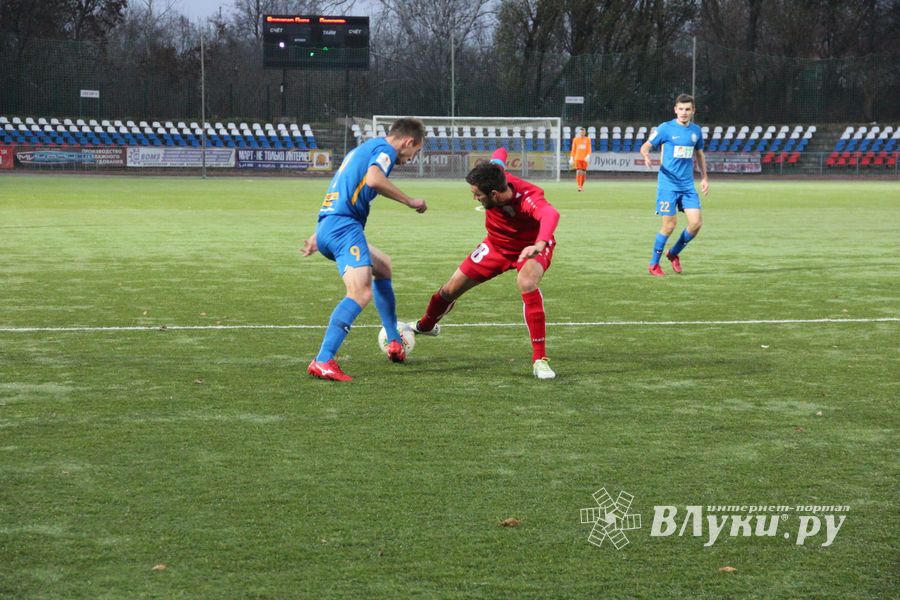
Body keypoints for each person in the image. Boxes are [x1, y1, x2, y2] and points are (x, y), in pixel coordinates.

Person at [412, 148, 561, 380]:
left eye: (477, 195)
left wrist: (540, 244)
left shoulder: (529, 196)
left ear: (494, 194)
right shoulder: (496, 173)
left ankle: (539, 359)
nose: (475, 198)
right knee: (449, 290)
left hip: (529, 247)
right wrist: (497, 155)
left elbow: (550, 214)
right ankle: (425, 326)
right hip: (495, 246)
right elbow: (500, 152)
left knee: (527, 281)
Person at [302, 117, 427, 381]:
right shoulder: (386, 151)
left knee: (382, 266)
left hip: (330, 224)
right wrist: (409, 201)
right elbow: (373, 180)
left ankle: (394, 342)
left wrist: (319, 233)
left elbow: (341, 185)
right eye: (415, 151)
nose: (412, 157)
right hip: (343, 227)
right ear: (409, 142)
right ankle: (323, 359)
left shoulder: (364, 149)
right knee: (359, 292)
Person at [640, 94, 709, 277]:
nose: (684, 113)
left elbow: (700, 155)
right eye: (681, 109)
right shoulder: (665, 128)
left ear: (693, 111)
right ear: (675, 109)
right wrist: (646, 155)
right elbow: (646, 146)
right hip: (668, 184)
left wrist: (704, 178)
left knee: (695, 224)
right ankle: (653, 264)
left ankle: (673, 253)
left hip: (687, 185)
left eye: (688, 109)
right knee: (669, 225)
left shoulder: (696, 131)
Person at [569, 127, 592, 192]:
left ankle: (581, 186)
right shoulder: (575, 139)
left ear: (585, 132)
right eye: (581, 132)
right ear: (579, 133)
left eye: (583, 132)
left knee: (583, 173)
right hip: (578, 158)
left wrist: (588, 155)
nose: (582, 133)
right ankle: (579, 186)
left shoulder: (588, 139)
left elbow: (589, 148)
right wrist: (571, 157)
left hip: (585, 159)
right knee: (579, 171)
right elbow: (573, 149)